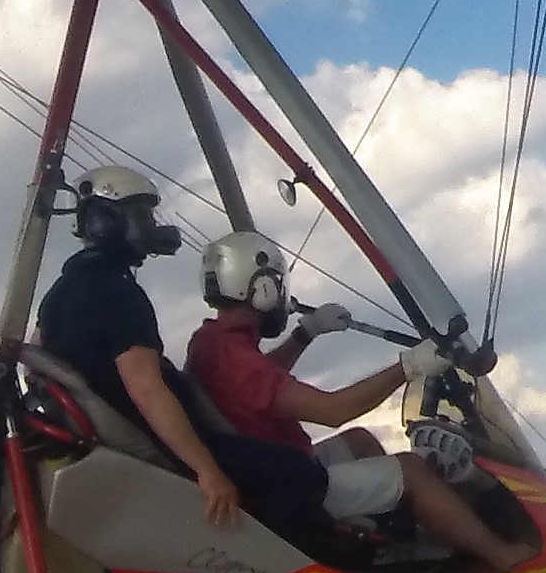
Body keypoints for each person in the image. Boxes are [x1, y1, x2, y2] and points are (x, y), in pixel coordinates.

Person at [183, 229, 538, 572]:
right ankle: (502, 555)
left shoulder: (211, 341)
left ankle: (422, 534)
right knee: (412, 471)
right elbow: (334, 411)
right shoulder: (238, 360)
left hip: (264, 468)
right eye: (275, 283)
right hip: (291, 488)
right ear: (259, 289)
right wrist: (409, 366)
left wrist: (305, 334)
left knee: (360, 441)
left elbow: (256, 379)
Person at [32, 167, 332, 540]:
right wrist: (207, 470)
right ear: (103, 224)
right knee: (297, 472)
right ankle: (320, 571)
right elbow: (147, 388)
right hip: (160, 442)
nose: (151, 225)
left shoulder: (60, 294)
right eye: (140, 215)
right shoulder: (117, 295)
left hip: (126, 435)